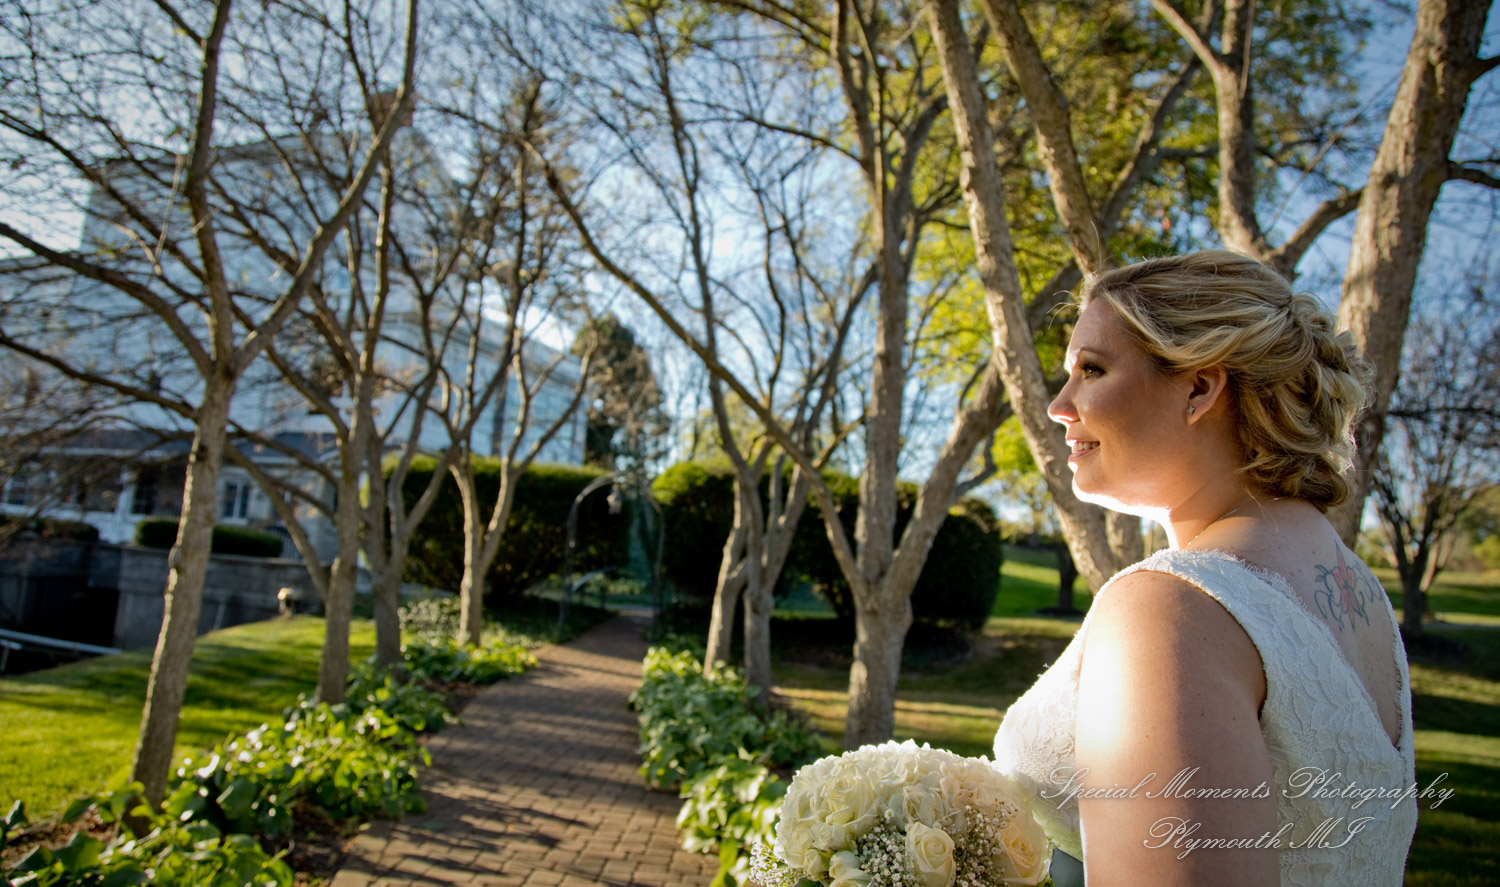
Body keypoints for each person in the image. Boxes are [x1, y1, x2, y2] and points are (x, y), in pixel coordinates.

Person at [991, 250, 1417, 887]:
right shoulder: (1363, 598)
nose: (1059, 405)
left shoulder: (1171, 607)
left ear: (1198, 388)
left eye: (1092, 370)